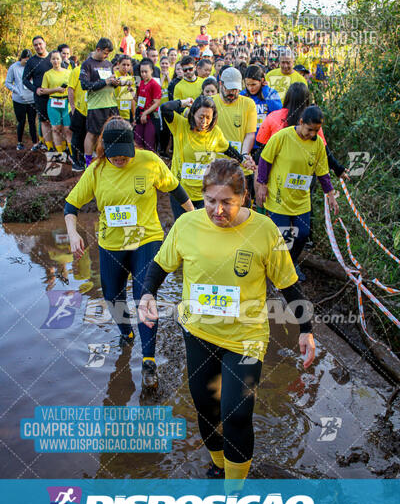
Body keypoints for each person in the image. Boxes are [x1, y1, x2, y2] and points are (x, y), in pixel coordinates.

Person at [139, 158, 315, 483]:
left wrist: (306, 330)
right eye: (210, 201)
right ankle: (219, 465)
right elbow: (160, 265)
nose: (217, 211)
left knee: (236, 413)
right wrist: (148, 293)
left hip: (245, 338)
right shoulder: (187, 225)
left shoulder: (263, 231)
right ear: (202, 196)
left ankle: (234, 494)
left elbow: (289, 284)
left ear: (243, 197)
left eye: (226, 203)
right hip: (198, 333)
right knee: (206, 408)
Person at [65, 117, 194, 387]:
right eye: (116, 156)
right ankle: (127, 333)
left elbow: (176, 189)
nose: (122, 159)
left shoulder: (149, 161)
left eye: (126, 154)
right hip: (112, 245)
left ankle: (149, 361)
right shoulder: (97, 170)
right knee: (113, 296)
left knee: (144, 296)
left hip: (147, 239)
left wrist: (195, 220)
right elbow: (71, 206)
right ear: (104, 149)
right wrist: (73, 232)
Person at [256, 105, 339, 280]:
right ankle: (276, 269)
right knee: (284, 235)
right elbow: (265, 159)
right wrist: (262, 183)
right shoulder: (283, 137)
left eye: (316, 130)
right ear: (301, 122)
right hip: (280, 196)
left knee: (303, 233)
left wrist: (330, 193)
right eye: (309, 129)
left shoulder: (317, 144)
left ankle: (290, 264)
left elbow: (322, 171)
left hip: (301, 198)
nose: (312, 134)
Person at [160, 96, 245, 219]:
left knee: (203, 227)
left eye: (208, 118)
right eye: (200, 117)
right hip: (181, 191)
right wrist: (183, 103)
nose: (204, 122)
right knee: (184, 226)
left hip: (204, 192)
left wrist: (243, 160)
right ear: (193, 113)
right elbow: (165, 108)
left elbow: (227, 149)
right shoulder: (180, 125)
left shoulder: (215, 132)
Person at [213, 67, 257, 202]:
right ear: (221, 84)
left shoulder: (248, 104)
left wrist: (243, 156)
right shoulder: (210, 103)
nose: (232, 93)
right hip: (217, 165)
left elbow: (250, 134)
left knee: (242, 206)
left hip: (240, 165)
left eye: (236, 90)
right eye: (229, 89)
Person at [79, 37, 120, 167]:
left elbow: (110, 82)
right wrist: (105, 82)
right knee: (92, 133)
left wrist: (115, 83)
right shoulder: (87, 64)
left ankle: (108, 158)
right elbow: (85, 85)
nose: (106, 56)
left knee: (111, 132)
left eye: (108, 54)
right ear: (98, 49)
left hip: (111, 104)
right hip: (96, 105)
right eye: (105, 53)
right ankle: (88, 161)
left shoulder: (109, 64)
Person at [22, 35, 53, 151]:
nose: (38, 46)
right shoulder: (31, 61)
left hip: (56, 96)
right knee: (44, 122)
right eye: (36, 45)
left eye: (40, 44)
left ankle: (60, 146)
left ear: (45, 43)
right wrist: (35, 89)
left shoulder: (53, 57)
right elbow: (25, 79)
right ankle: (49, 147)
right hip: (40, 96)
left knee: (56, 123)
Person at [241, 64, 282, 150]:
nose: (250, 88)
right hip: (247, 142)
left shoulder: (271, 93)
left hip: (266, 142)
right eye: (247, 85)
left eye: (253, 84)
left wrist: (265, 90)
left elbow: (278, 110)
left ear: (262, 81)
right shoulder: (243, 95)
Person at [40, 50, 72, 156]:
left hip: (66, 102)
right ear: (50, 60)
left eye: (57, 58)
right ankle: (60, 153)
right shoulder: (47, 74)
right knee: (56, 128)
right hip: (53, 102)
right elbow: (43, 90)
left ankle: (71, 153)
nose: (55, 61)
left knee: (68, 129)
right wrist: (56, 90)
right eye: (53, 58)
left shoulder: (68, 72)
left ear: (61, 59)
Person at [5, 49, 38, 151]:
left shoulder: (33, 67)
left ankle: (35, 144)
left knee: (32, 122)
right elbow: (8, 83)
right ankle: (19, 143)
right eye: (25, 60)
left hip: (32, 99)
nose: (27, 62)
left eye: (29, 60)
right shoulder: (14, 67)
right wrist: (17, 91)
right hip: (19, 100)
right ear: (21, 58)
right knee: (21, 121)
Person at [134, 58, 162, 152]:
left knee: (149, 142)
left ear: (152, 71)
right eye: (141, 72)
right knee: (138, 141)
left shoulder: (155, 85)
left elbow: (157, 102)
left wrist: (146, 113)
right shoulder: (141, 83)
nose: (143, 74)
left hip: (151, 116)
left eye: (146, 72)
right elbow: (140, 100)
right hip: (141, 115)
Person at [68, 61, 87, 171]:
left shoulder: (96, 71)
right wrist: (73, 107)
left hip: (90, 110)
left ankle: (83, 158)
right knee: (77, 135)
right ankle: (75, 159)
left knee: (86, 135)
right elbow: (70, 88)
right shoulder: (77, 70)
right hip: (78, 109)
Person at [114, 54, 136, 122]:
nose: (125, 67)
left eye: (128, 65)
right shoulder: (114, 75)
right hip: (114, 112)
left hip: (126, 113)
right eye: (123, 64)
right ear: (118, 64)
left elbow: (133, 98)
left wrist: (134, 115)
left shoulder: (131, 78)